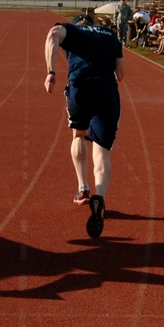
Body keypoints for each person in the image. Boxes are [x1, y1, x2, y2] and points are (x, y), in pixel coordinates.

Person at [44, 15, 124, 239]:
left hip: (80, 89)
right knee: (102, 150)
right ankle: (100, 194)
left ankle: (82, 189)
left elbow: (52, 35)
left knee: (78, 135)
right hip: (107, 92)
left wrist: (51, 72)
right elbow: (121, 74)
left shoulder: (72, 30)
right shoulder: (110, 35)